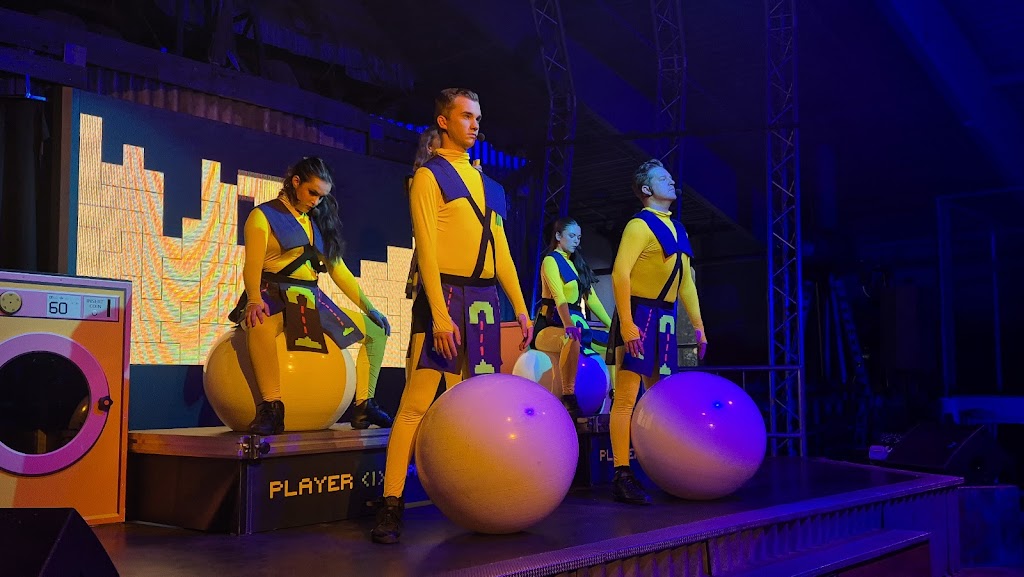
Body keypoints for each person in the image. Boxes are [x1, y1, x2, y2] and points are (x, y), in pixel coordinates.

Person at [372, 88, 533, 544]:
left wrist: (521, 309)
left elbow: (501, 253)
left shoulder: (490, 185)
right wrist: (440, 317)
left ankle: (476, 492)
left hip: (484, 301)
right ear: (444, 121)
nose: (475, 124)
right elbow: (426, 248)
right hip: (444, 296)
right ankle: (391, 503)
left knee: (475, 403)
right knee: (416, 405)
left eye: (478, 117)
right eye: (465, 116)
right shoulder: (429, 176)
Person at [229, 157, 394, 435]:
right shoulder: (263, 216)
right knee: (259, 326)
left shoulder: (316, 222)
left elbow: (338, 270)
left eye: (322, 196)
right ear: (296, 182)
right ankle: (271, 408)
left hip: (309, 299)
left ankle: (364, 405)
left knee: (377, 331)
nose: (316, 201)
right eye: (312, 193)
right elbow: (252, 265)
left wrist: (370, 308)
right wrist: (254, 300)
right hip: (273, 295)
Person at [606, 159, 708, 505]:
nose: (671, 181)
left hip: (665, 317)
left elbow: (686, 283)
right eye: (663, 178)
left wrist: (698, 326)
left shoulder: (678, 228)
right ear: (647, 189)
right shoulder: (639, 225)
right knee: (626, 399)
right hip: (638, 314)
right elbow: (620, 274)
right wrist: (627, 323)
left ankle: (665, 466)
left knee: (661, 399)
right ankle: (621, 474)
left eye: (670, 176)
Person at [532, 217, 613, 418]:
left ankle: (613, 393)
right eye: (572, 235)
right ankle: (568, 394)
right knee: (571, 338)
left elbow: (592, 299)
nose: (576, 240)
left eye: (578, 237)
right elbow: (558, 297)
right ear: (558, 236)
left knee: (614, 345)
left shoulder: (577, 263)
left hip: (577, 324)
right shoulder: (551, 261)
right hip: (549, 327)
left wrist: (613, 327)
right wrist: (568, 324)